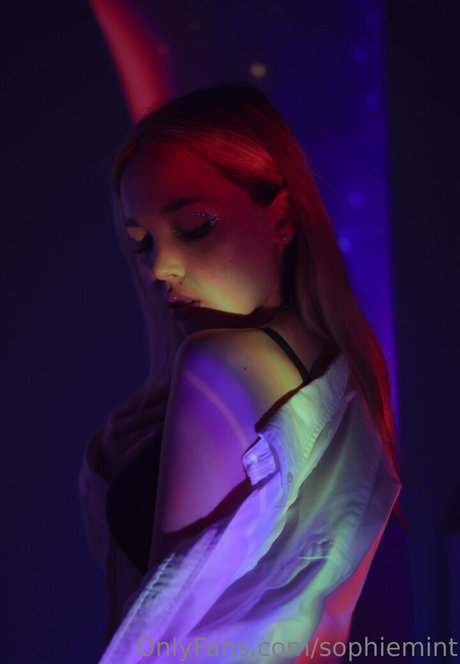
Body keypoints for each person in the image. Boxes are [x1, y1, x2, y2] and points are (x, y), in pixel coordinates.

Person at [79, 81, 404, 664]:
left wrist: (107, 489)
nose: (160, 268)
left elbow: (157, 641)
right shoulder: (344, 372)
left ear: (282, 217)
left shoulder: (217, 365)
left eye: (194, 226)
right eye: (142, 243)